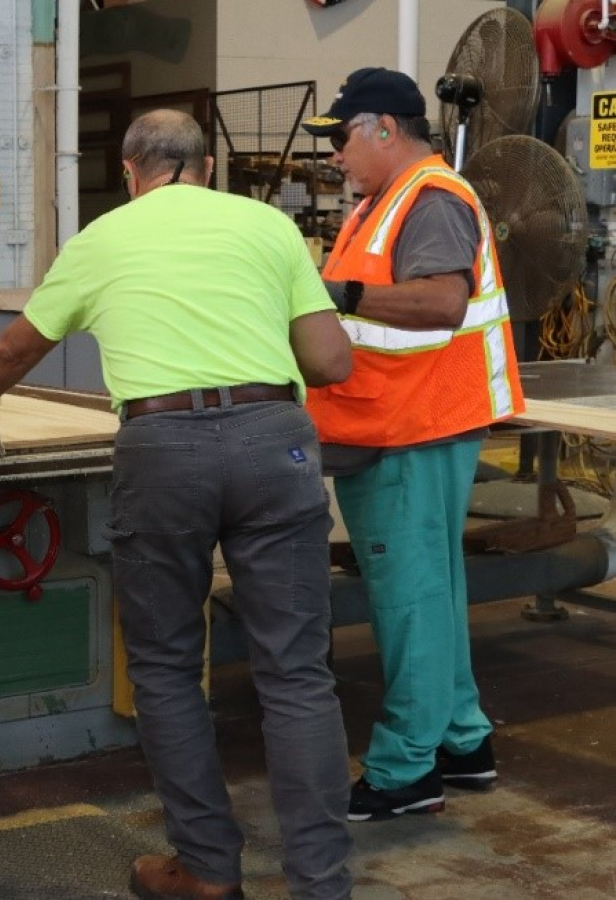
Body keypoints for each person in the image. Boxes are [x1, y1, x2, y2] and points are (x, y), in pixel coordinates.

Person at [0, 109, 354, 900]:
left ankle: (205, 870)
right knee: (297, 675)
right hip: (275, 441)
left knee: (163, 667)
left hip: (164, 452)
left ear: (131, 171)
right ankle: (322, 886)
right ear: (206, 168)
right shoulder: (268, 227)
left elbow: (14, 349)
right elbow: (331, 359)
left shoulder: (104, 238)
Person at [300, 67, 524, 821]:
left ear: (384, 129)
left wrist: (336, 297)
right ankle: (462, 743)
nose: (335, 155)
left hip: (413, 425)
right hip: (394, 421)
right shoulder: (381, 202)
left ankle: (405, 771)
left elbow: (441, 301)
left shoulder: (429, 199)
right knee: (432, 596)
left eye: (341, 137)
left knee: (410, 604)